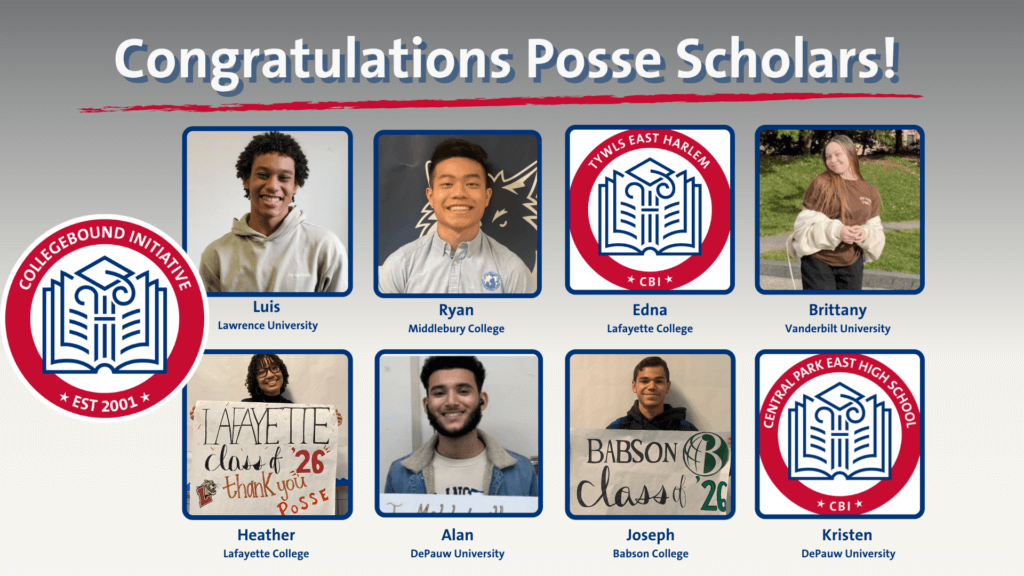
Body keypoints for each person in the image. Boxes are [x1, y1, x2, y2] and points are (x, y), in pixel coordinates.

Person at [378, 139, 534, 294]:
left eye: (472, 184)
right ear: (430, 196)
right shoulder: (399, 266)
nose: (459, 193)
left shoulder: (512, 270)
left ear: (487, 196)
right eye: (447, 184)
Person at [199, 132, 347, 292]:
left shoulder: (325, 247)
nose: (272, 186)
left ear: (295, 185)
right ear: (246, 180)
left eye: (284, 178)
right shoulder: (216, 255)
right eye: (263, 175)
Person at [384, 356, 538, 496]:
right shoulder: (399, 474)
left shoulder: (522, 471)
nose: (451, 401)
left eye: (463, 391)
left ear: (482, 400)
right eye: (439, 393)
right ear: (426, 405)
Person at [789, 134, 885, 290]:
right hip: (818, 260)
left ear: (851, 153)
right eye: (828, 157)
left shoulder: (869, 191)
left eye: (838, 154)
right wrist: (837, 231)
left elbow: (875, 228)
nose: (832, 160)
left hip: (852, 262)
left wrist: (864, 233)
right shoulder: (821, 183)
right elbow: (803, 226)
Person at [190, 354, 342, 424]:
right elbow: (225, 431)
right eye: (262, 372)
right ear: (255, 380)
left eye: (274, 368)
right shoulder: (244, 406)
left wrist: (328, 421)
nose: (270, 375)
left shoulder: (291, 408)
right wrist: (204, 417)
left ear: (282, 372)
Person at [607, 356, 697, 431]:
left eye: (658, 381)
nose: (652, 387)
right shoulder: (617, 429)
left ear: (668, 387)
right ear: (634, 386)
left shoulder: (687, 431)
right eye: (645, 381)